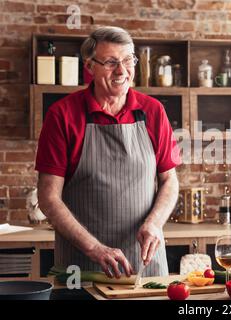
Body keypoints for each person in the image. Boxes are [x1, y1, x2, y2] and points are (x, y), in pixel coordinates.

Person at [36, 26, 180, 279]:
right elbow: (49, 197)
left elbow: (169, 179)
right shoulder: (63, 115)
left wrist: (155, 223)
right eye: (111, 62)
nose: (122, 71)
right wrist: (95, 249)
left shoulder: (153, 111)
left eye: (128, 60)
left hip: (145, 266)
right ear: (90, 66)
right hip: (82, 268)